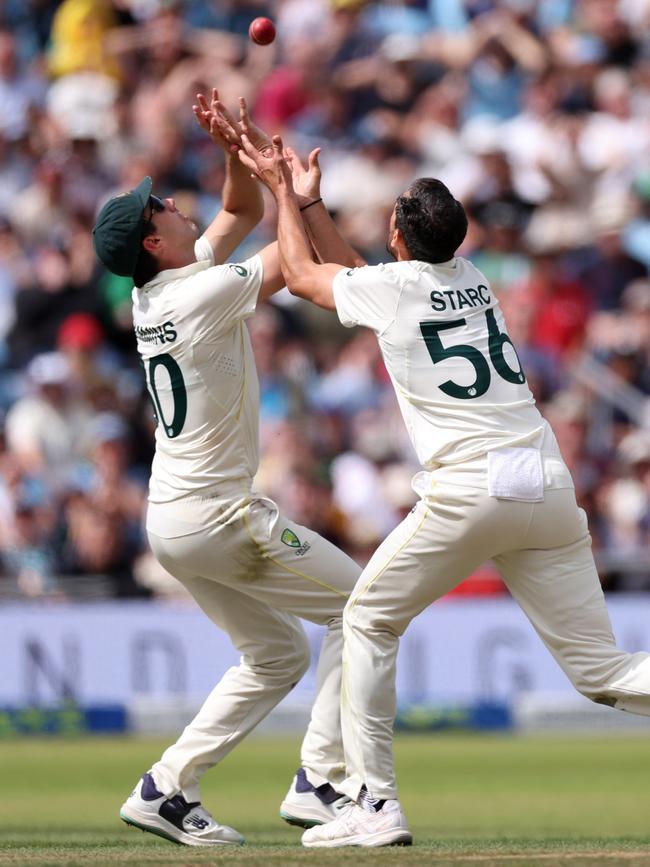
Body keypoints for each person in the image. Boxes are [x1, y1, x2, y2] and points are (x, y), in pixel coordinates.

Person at [238, 133, 650, 849]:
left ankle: (374, 801)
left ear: (398, 233)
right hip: (545, 483)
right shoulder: (473, 278)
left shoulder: (397, 289)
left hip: (472, 488)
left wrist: (280, 190)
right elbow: (361, 273)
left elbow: (308, 275)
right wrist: (309, 200)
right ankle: (367, 796)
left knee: (365, 619)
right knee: (602, 670)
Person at [91, 92, 361, 847]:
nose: (174, 205)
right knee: (361, 606)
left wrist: (231, 150)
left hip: (174, 522)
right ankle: (321, 778)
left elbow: (235, 216)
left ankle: (167, 788)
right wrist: (289, 186)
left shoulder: (166, 289)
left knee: (275, 653)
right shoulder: (202, 292)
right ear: (153, 243)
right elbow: (286, 256)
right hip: (219, 515)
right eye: (161, 208)